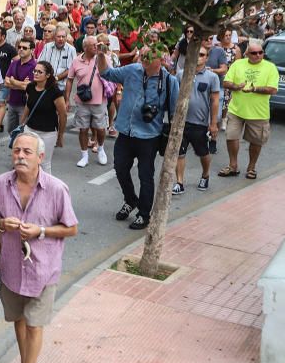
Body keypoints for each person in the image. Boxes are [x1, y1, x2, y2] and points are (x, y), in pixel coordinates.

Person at [0, 132, 78, 363]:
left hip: (43, 269)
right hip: (12, 267)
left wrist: (41, 231)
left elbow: (71, 228)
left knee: (34, 323)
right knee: (18, 320)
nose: (20, 156)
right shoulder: (2, 184)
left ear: (40, 157)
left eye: (27, 152)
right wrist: (3, 224)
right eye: (16, 151)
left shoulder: (56, 188)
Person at [98, 44, 179, 230]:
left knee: (145, 176)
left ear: (161, 60)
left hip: (149, 136)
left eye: (148, 57)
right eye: (142, 56)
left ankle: (144, 214)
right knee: (120, 168)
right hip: (126, 132)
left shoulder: (169, 81)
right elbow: (106, 73)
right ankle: (130, 200)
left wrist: (175, 141)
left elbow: (175, 113)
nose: (142, 60)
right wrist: (101, 55)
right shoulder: (132, 70)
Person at [220, 41, 278, 179]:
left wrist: (254, 89)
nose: (258, 55)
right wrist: (236, 86)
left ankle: (251, 168)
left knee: (256, 141)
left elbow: (273, 89)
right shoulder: (238, 64)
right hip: (236, 110)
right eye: (254, 53)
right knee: (231, 136)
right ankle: (233, 166)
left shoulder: (270, 67)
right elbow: (226, 82)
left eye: (260, 52)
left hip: (259, 113)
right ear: (247, 54)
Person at [173, 47, 220, 194]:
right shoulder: (181, 74)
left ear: (206, 58)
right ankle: (179, 182)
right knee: (179, 153)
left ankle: (205, 175)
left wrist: (213, 124)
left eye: (202, 55)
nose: (198, 57)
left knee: (203, 153)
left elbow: (215, 101)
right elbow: (175, 96)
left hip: (200, 123)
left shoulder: (212, 77)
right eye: (196, 53)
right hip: (181, 122)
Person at [65, 35, 109, 168]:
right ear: (85, 47)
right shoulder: (76, 61)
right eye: (93, 45)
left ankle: (101, 148)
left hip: (99, 101)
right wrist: (67, 99)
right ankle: (84, 156)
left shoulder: (103, 58)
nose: (96, 47)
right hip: (82, 101)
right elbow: (70, 79)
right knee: (83, 129)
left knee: (101, 128)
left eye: (96, 45)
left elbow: (112, 74)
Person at [21, 61, 67, 175]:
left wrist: (60, 135)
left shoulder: (55, 92)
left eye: (39, 72)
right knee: (27, 160)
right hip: (30, 130)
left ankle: (46, 190)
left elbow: (63, 114)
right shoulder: (30, 87)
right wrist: (21, 123)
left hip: (48, 133)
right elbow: (28, 105)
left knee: (44, 163)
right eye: (35, 71)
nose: (35, 74)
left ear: (47, 75)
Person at [4, 39, 37, 135]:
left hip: (25, 106)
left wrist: (13, 82)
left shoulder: (34, 66)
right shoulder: (14, 63)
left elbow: (29, 86)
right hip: (12, 104)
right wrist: (21, 84)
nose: (21, 49)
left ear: (32, 50)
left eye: (25, 48)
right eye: (19, 47)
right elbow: (6, 82)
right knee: (11, 131)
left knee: (23, 133)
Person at [38, 26, 76, 92]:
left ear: (66, 37)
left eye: (63, 37)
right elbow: (40, 64)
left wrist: (56, 78)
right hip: (46, 85)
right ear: (54, 37)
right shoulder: (47, 47)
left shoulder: (71, 50)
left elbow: (72, 69)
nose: (61, 39)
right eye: (58, 36)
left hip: (62, 87)